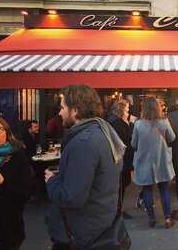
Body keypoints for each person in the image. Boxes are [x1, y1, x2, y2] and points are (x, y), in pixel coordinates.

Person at [45, 85, 126, 250]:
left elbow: (72, 197)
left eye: (62, 107)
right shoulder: (103, 131)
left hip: (81, 235)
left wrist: (51, 181)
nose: (59, 113)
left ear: (75, 110)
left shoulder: (84, 142)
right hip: (99, 227)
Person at [131, 96, 176, 229]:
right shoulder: (164, 122)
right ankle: (167, 218)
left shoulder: (138, 124)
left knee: (147, 190)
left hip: (144, 161)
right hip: (161, 160)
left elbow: (133, 143)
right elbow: (172, 137)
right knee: (164, 189)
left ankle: (151, 219)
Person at [0, 116, 32, 250]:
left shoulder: (18, 155)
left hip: (9, 227)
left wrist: (2, 183)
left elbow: (25, 194)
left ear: (7, 132)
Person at [109, 99, 135, 220]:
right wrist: (130, 123)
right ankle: (118, 211)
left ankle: (118, 209)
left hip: (121, 159)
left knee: (122, 184)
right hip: (121, 159)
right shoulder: (118, 123)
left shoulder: (114, 121)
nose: (128, 112)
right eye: (127, 109)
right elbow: (128, 137)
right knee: (121, 184)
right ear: (121, 110)